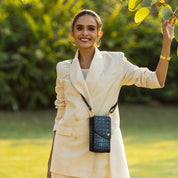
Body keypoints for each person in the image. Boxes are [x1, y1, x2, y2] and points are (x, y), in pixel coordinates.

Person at [47, 9, 176, 178]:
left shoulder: (116, 62)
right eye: (79, 28)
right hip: (67, 153)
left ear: (99, 34)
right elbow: (60, 115)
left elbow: (156, 80)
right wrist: (51, 161)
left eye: (91, 28)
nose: (85, 33)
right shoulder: (63, 68)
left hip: (103, 149)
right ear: (72, 33)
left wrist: (167, 42)